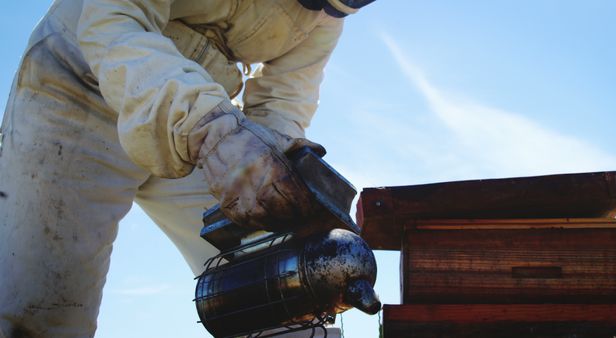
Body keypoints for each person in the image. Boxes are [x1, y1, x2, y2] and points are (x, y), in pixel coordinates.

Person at [0, 0, 376, 337]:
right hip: (82, 83)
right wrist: (211, 127)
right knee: (37, 311)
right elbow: (113, 21)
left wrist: (271, 165)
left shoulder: (327, 15)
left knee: (290, 287)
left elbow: (285, 99)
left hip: (202, 121)